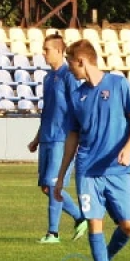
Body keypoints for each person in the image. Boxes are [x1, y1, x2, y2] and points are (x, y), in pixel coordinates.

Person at [54, 39, 130, 261]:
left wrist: (128, 149)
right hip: (88, 172)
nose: (70, 69)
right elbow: (72, 137)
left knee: (129, 226)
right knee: (95, 223)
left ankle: (105, 258)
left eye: (71, 64)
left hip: (117, 170)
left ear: (81, 61)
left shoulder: (119, 84)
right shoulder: (77, 96)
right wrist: (62, 175)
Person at [27, 33, 87, 244]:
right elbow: (48, 111)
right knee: (46, 187)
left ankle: (53, 233)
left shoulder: (69, 76)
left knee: (53, 185)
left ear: (59, 51)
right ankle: (81, 218)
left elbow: (78, 107)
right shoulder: (47, 78)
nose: (44, 53)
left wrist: (80, 136)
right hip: (47, 138)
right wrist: (37, 138)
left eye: (47, 49)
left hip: (63, 139)